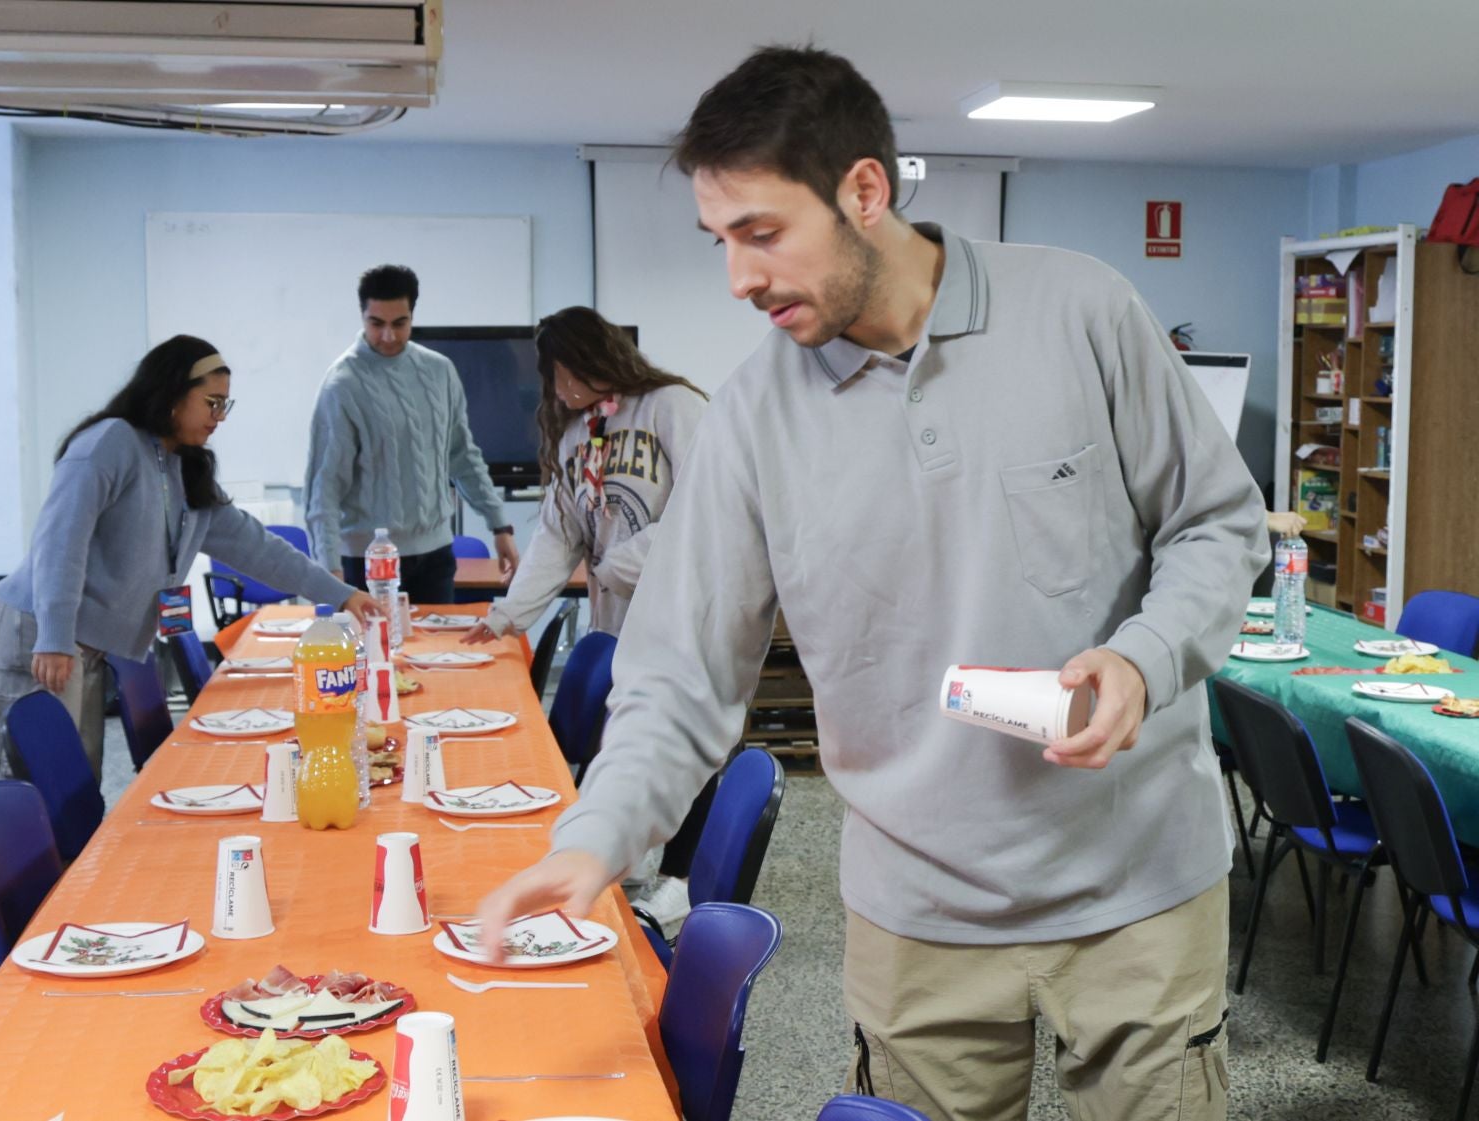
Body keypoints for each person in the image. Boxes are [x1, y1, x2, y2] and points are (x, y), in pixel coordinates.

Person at [476, 47, 1267, 1121]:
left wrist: (1143, 655)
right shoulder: (754, 417)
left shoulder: (1084, 309)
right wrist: (593, 840)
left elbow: (1216, 526)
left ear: (864, 190)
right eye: (720, 241)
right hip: (918, 910)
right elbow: (677, 677)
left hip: (1139, 892)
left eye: (762, 233)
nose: (739, 279)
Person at [0, 335, 372, 780]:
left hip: (84, 649)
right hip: (36, 636)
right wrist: (52, 637)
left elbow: (257, 547)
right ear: (171, 391)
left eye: (226, 405)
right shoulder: (110, 443)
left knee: (73, 789)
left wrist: (340, 594)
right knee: (32, 790)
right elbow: (59, 542)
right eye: (211, 402)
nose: (219, 417)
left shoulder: (185, 467)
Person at [462, 306, 708, 643]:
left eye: (558, 373)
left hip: (678, 624)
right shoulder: (577, 434)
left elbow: (706, 510)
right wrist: (506, 616)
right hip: (613, 627)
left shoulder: (671, 405)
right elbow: (557, 536)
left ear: (589, 360)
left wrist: (619, 566)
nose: (554, 387)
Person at [304, 264, 521, 605]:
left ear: (412, 316)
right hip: (366, 561)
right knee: (373, 657)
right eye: (377, 324)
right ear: (362, 316)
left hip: (435, 555)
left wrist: (500, 525)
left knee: (434, 654)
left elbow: (463, 455)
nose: (388, 336)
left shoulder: (439, 371)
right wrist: (330, 569)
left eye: (399, 323)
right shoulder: (342, 384)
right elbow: (325, 488)